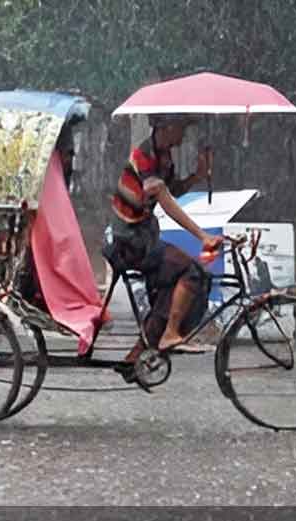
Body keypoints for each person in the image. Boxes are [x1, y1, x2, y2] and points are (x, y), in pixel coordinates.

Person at [103, 114, 222, 377]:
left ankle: (137, 355)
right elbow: (166, 199)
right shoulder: (143, 155)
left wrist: (197, 176)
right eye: (181, 127)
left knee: (175, 282)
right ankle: (169, 334)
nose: (183, 135)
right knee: (190, 270)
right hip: (129, 241)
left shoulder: (165, 157)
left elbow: (175, 189)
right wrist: (202, 236)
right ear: (166, 127)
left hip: (144, 238)